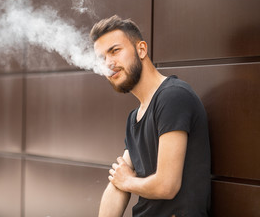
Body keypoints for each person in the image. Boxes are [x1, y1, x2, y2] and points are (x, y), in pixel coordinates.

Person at [90, 15, 211, 217]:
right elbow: (117, 185)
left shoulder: (172, 96)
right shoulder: (135, 117)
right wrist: (123, 181)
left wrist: (127, 181)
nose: (108, 64)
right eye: (102, 59)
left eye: (115, 51)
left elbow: (167, 185)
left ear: (142, 49)